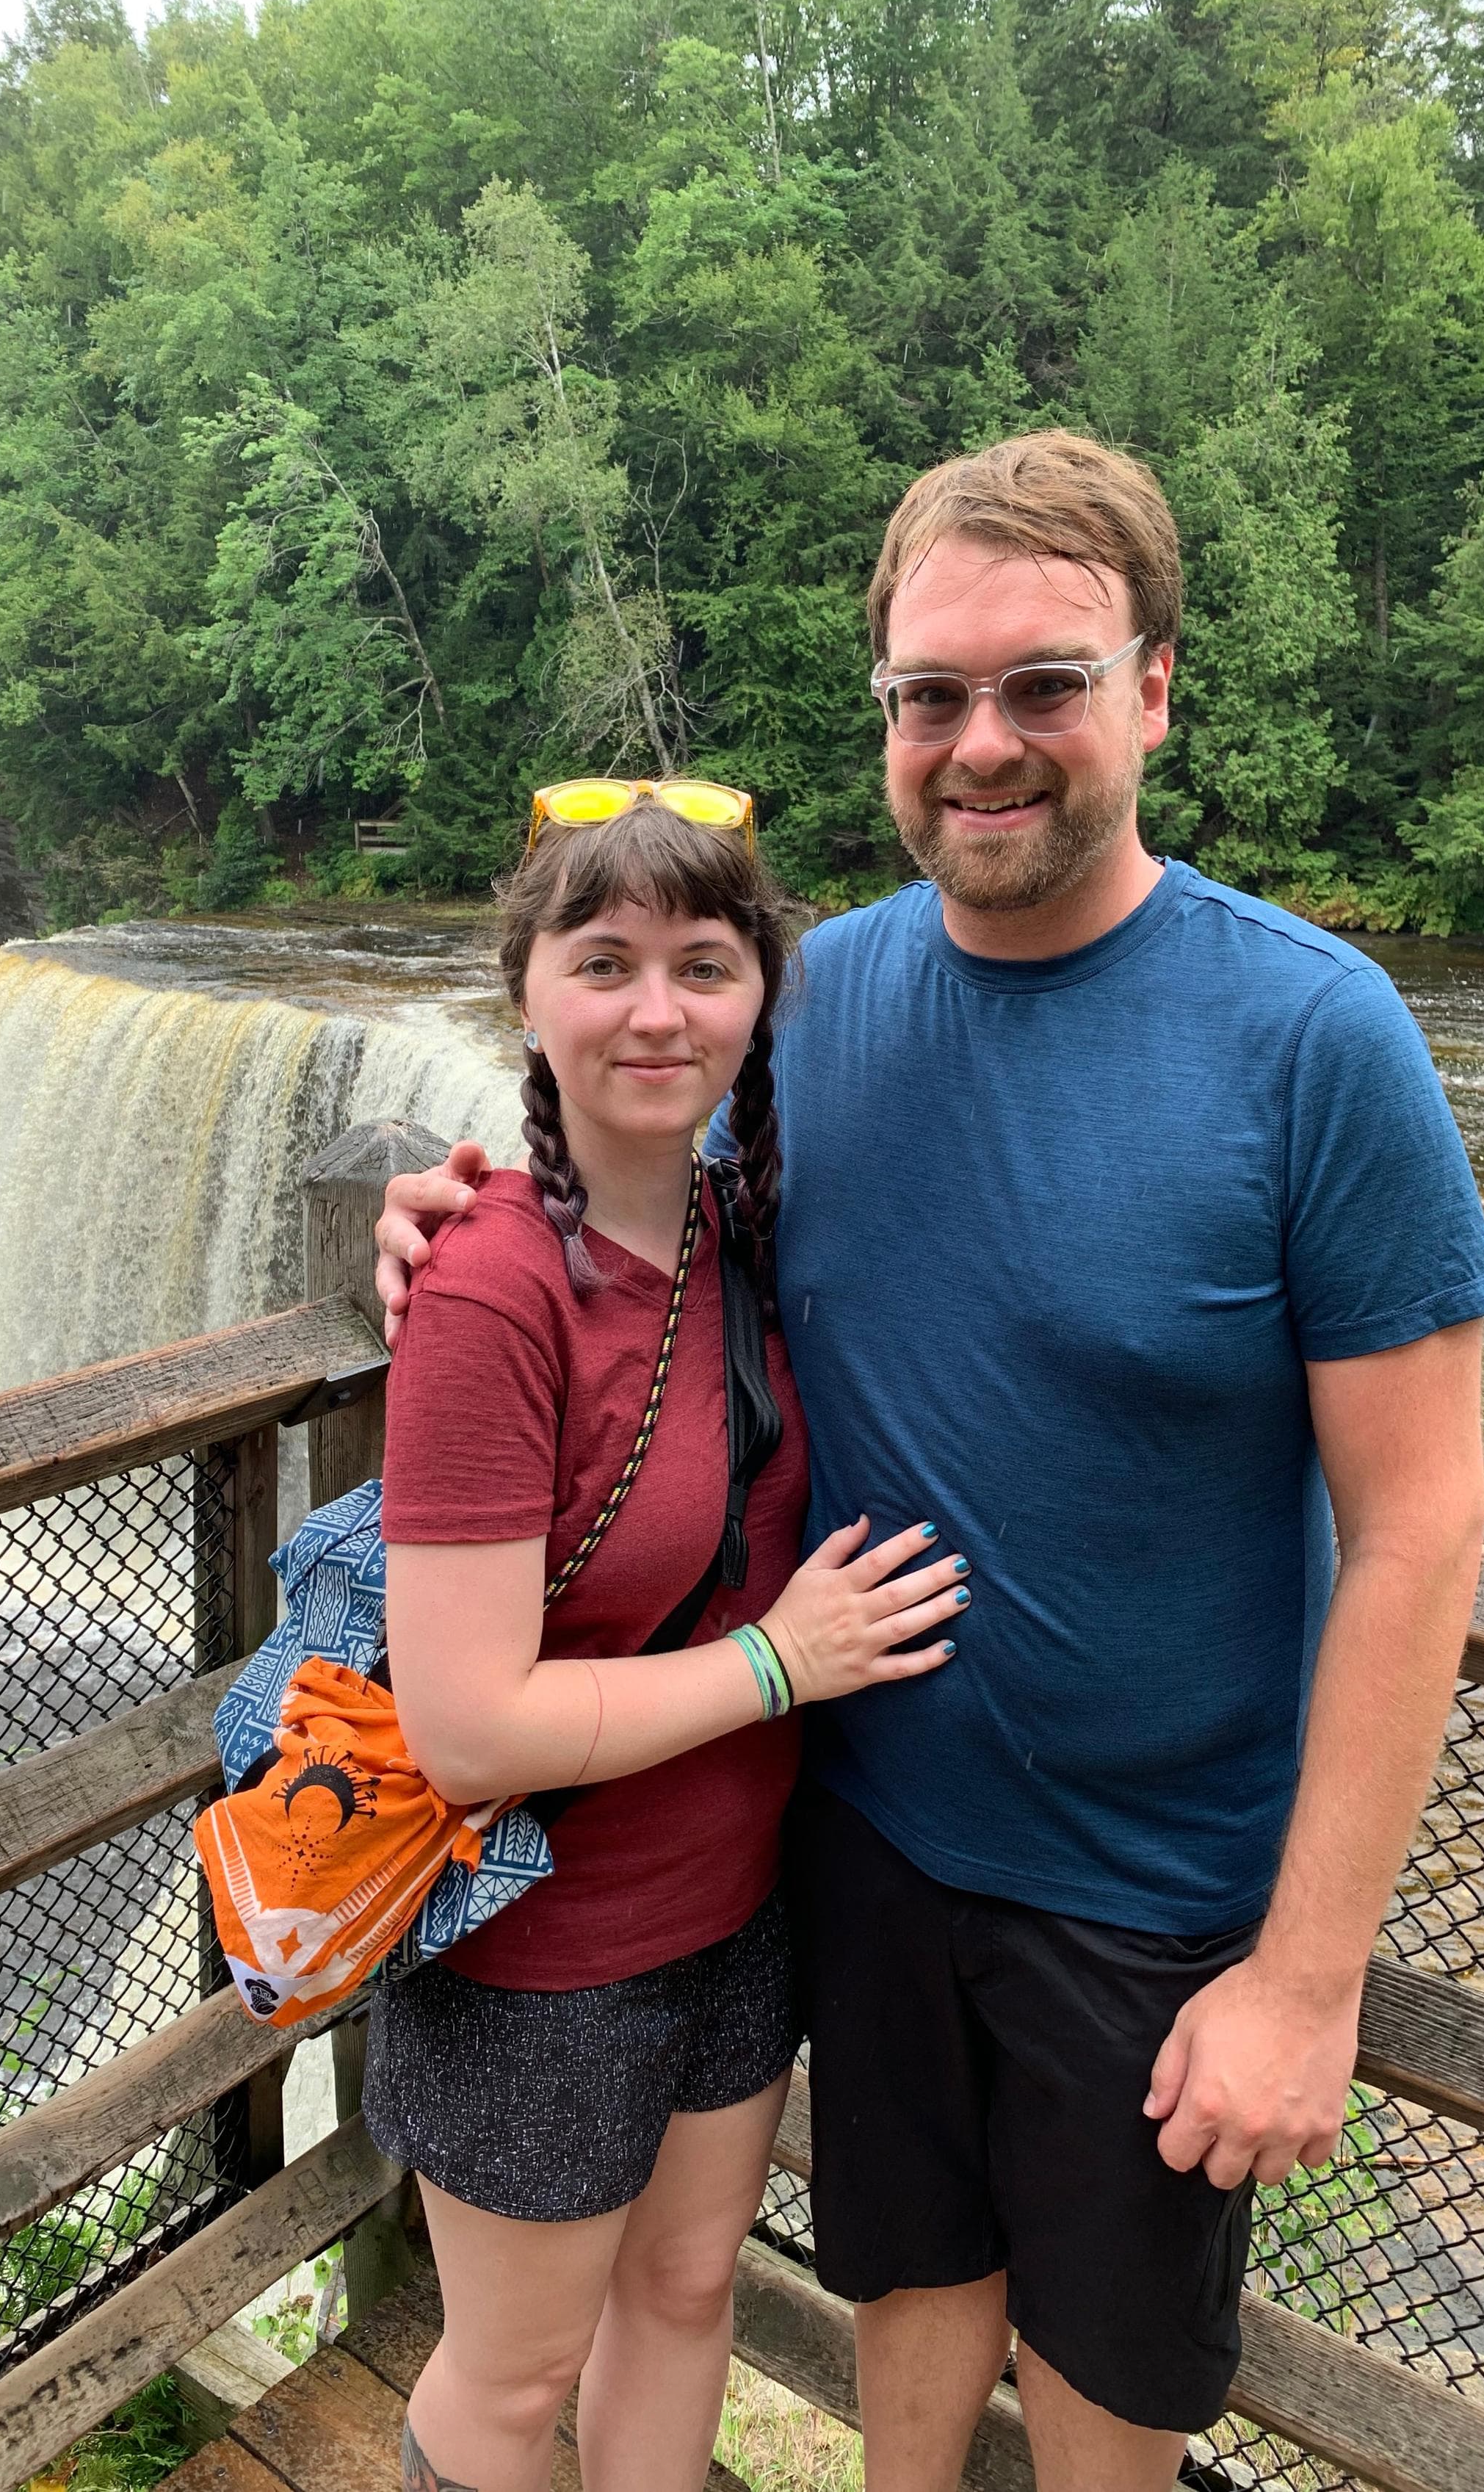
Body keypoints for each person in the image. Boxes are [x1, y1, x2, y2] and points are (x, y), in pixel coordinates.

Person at [373, 430, 1484, 2492]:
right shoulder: (813, 1006)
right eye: (931, 696)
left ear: (1154, 688)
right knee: (905, 2306)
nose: (983, 743)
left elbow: (1423, 1522)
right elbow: (629, 1213)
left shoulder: (1315, 1036)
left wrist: (1308, 1975)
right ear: (885, 715)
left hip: (1154, 1894)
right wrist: (448, 1212)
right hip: (862, 1842)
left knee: (1106, 2390)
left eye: (1043, 683)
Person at [368, 786, 967, 2492]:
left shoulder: (739, 1232)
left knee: (687, 2290)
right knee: (510, 2374)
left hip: (734, 1912)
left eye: (702, 965)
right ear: (526, 995)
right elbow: (466, 1730)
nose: (655, 1009)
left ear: (757, 997)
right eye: (604, 960)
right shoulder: (491, 1290)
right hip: (537, 1959)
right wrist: (782, 1663)